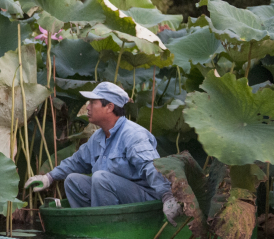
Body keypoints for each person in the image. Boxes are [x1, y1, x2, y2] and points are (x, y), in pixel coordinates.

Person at [25, 82, 182, 224]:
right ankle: (88, 226)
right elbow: (76, 162)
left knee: (100, 178)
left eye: (93, 103)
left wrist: (167, 197)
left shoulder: (133, 135)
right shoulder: (98, 137)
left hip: (144, 198)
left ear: (109, 107)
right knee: (73, 181)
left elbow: (152, 167)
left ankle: (106, 227)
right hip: (113, 196)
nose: (88, 107)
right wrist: (48, 177)